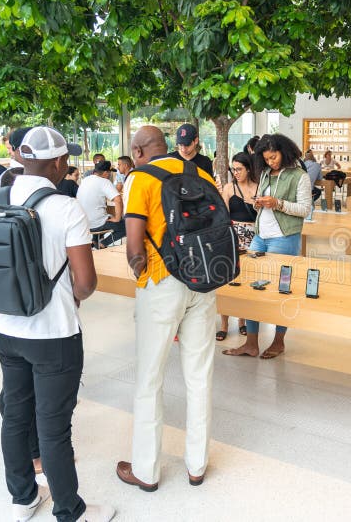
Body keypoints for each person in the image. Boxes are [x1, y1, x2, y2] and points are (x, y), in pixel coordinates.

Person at [0, 126, 114, 521]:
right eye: (67, 160)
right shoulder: (65, 207)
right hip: (54, 333)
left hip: (7, 330)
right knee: (54, 426)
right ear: (58, 162)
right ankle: (69, 510)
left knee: (16, 415)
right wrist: (73, 294)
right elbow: (86, 282)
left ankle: (23, 499)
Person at [116, 125, 218, 493]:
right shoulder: (201, 173)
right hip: (203, 282)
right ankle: (197, 465)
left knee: (149, 378)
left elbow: (133, 249)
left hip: (162, 284)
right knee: (199, 374)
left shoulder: (139, 179)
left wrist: (141, 269)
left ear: (138, 151)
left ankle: (147, 470)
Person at [222, 133, 312, 360]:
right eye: (267, 159)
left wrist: (277, 203)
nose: (271, 162)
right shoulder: (264, 174)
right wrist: (258, 203)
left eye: (274, 157)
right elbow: (262, 203)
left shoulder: (299, 176)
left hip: (284, 238)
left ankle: (278, 341)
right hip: (260, 235)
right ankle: (251, 343)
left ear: (284, 151)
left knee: (281, 290)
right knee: (252, 288)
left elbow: (305, 210)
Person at [217, 151, 259, 341]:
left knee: (247, 282)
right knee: (228, 281)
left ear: (248, 169)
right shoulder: (228, 188)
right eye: (233, 169)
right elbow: (223, 215)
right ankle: (224, 324)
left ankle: (243, 321)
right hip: (233, 237)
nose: (236, 173)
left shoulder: (259, 188)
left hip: (254, 239)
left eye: (239, 169)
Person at [76, 160, 125, 248]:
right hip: (97, 224)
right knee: (127, 226)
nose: (110, 175)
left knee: (104, 216)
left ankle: (95, 241)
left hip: (83, 223)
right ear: (106, 172)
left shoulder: (85, 180)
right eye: (109, 172)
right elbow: (118, 200)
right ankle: (103, 243)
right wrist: (117, 218)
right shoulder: (104, 182)